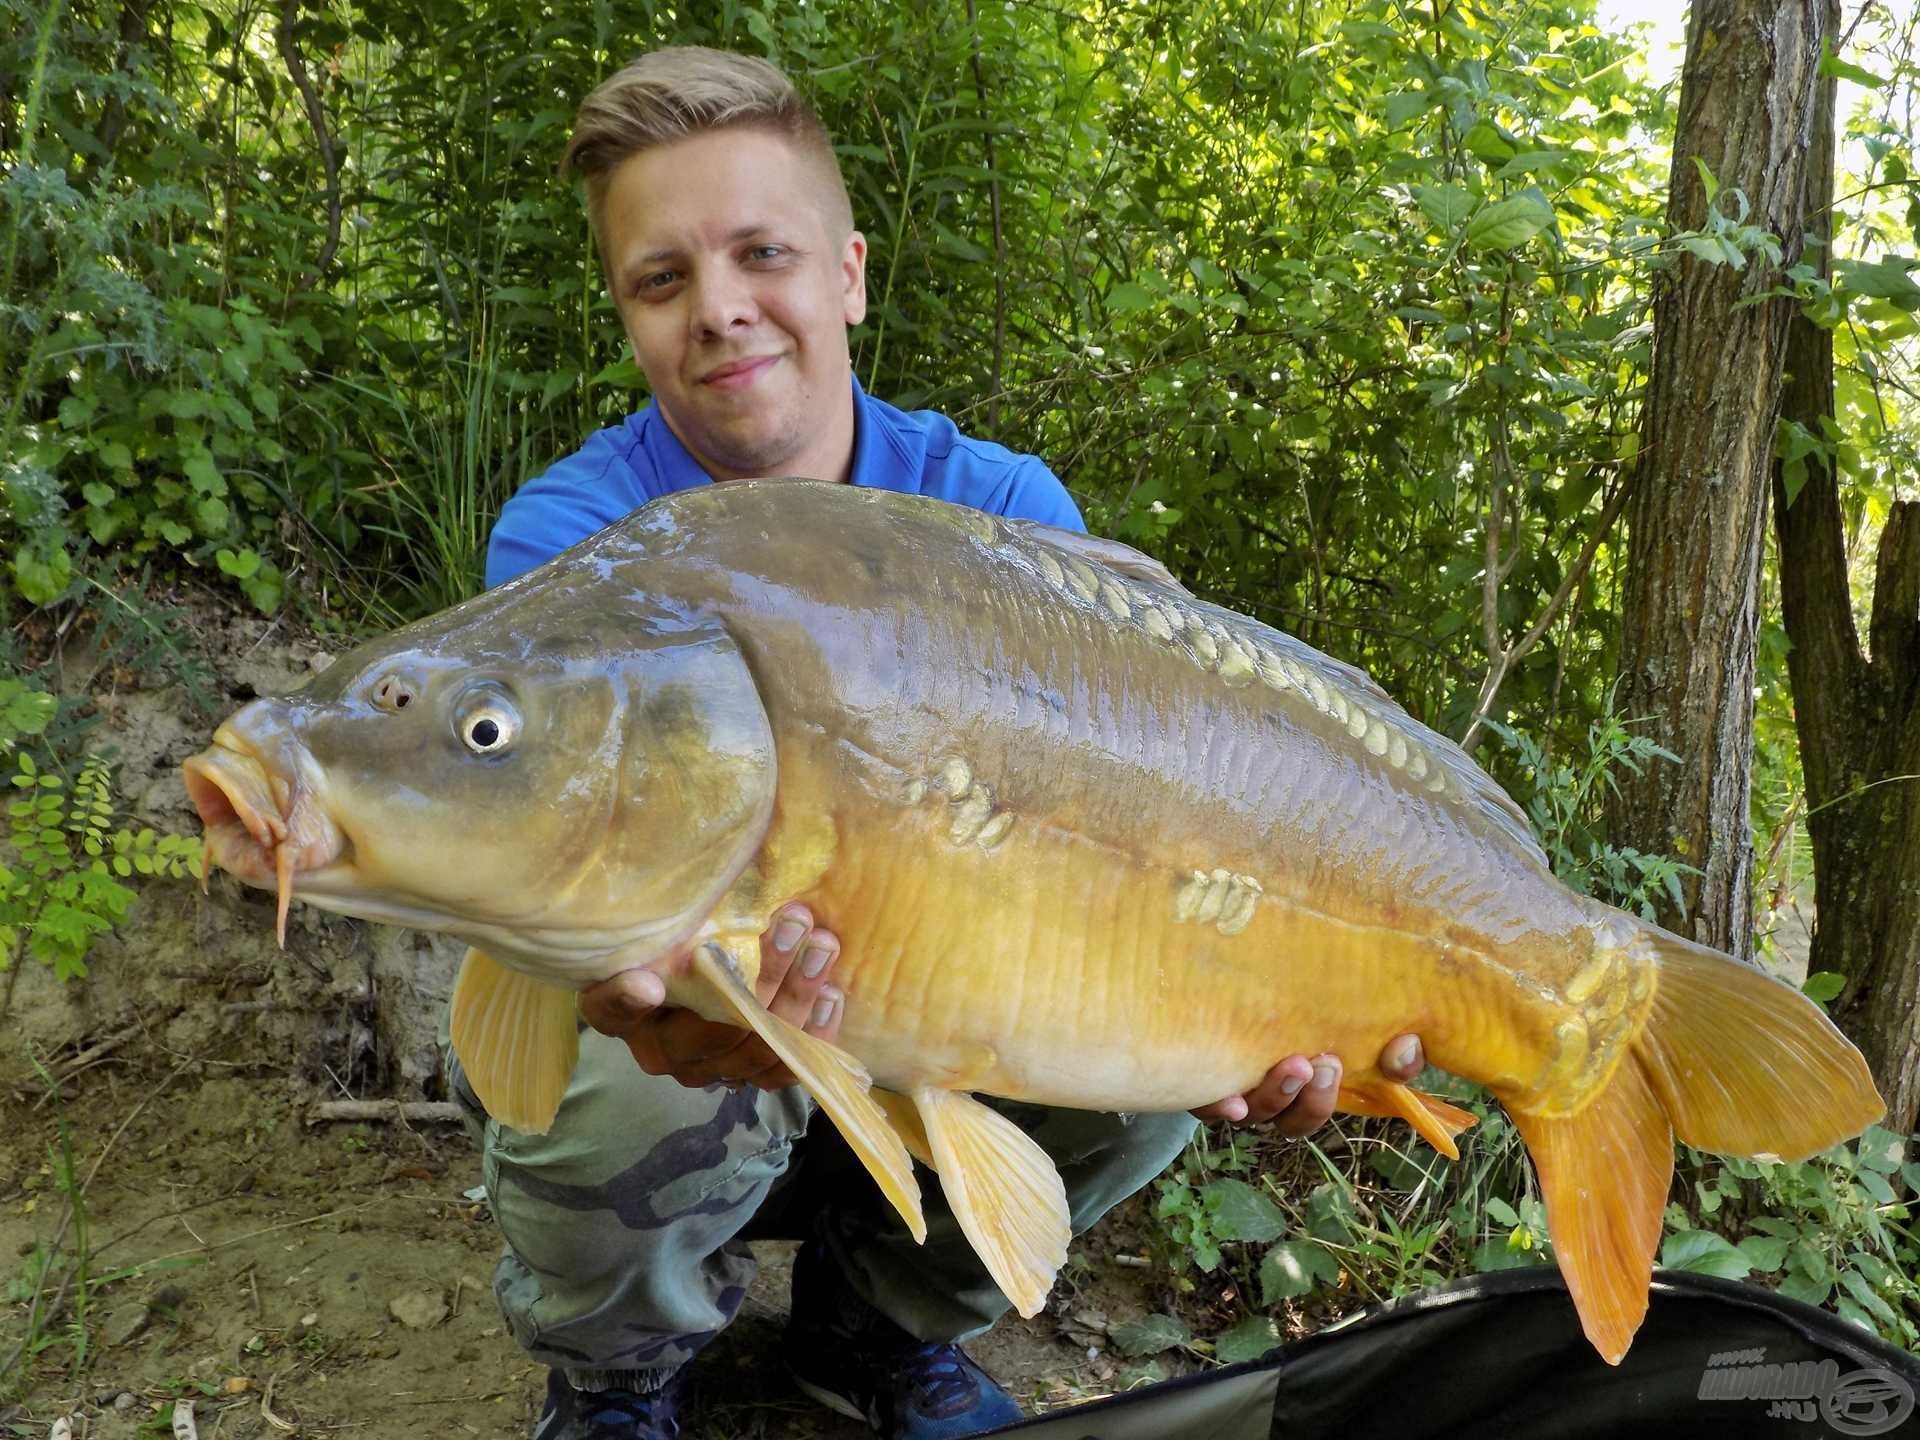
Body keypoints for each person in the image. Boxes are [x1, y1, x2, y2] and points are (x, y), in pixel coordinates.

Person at [456, 46, 1427, 1440]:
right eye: (661, 280)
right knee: (629, 1038)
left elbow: (1139, 816)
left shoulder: (1002, 509)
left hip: (928, 1005)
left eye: (760, 254)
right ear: (627, 316)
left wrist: (1269, 1003)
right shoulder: (577, 545)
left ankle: (872, 1329)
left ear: (847, 274)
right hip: (683, 1032)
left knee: (1150, 1047)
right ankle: (618, 1375)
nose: (720, 310)